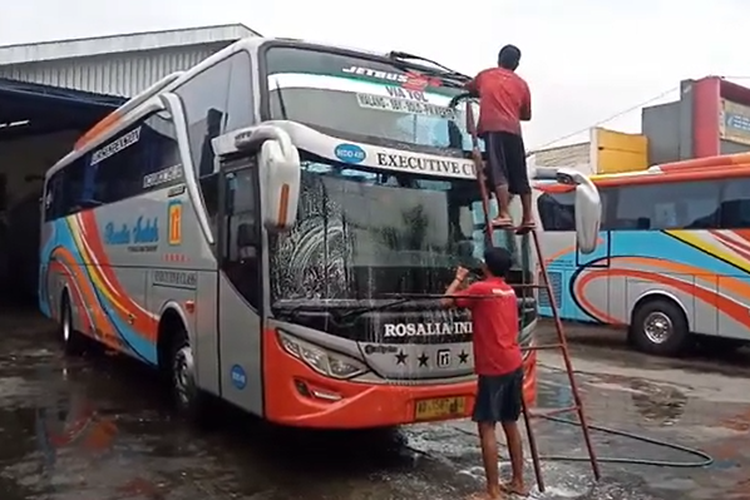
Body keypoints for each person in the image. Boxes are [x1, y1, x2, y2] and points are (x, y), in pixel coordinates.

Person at [441, 247, 528, 499]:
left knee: (486, 425)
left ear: (486, 266)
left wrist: (458, 279)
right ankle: (518, 482)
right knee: (510, 422)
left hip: (493, 366)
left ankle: (492, 491)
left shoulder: (480, 290)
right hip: (513, 362)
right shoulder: (508, 291)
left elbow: (445, 301)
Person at [465, 44, 533, 229]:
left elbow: (469, 88)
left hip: (494, 128)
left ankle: (504, 213)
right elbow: (526, 115)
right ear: (517, 64)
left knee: (499, 170)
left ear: (498, 59)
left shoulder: (485, 76)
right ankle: (528, 218)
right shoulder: (522, 84)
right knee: (520, 174)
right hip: (515, 131)